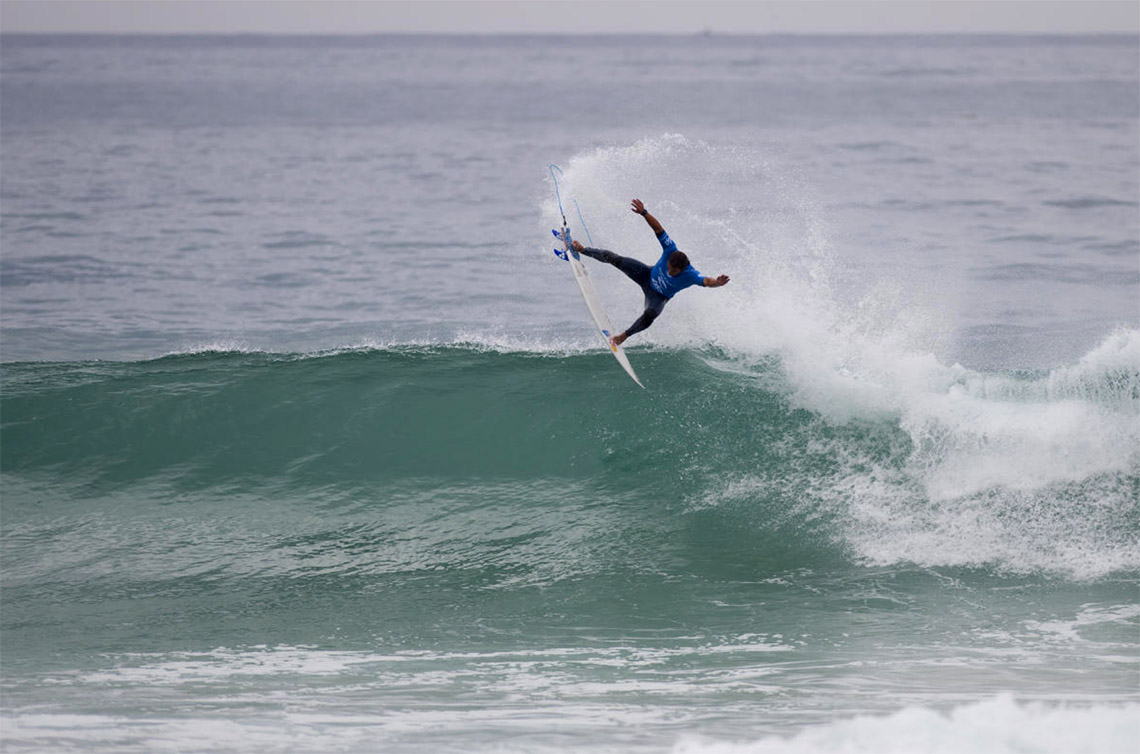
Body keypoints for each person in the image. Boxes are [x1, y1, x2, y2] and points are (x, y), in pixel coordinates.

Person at [559, 198, 730, 347]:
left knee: (649, 317)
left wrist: (718, 282)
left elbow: (706, 281)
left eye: (673, 271)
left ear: (682, 269)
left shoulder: (690, 274)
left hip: (658, 297)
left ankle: (622, 337)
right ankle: (582, 250)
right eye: (669, 267)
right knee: (614, 258)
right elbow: (659, 230)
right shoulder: (670, 249)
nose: (670, 271)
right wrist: (644, 213)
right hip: (646, 275)